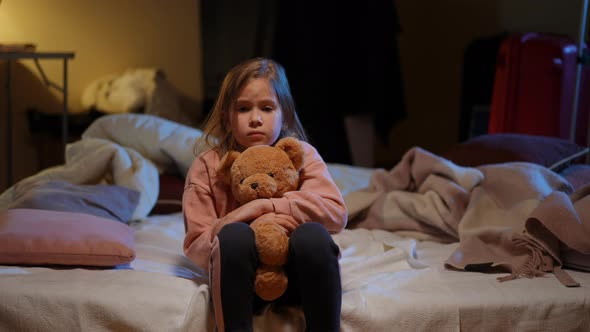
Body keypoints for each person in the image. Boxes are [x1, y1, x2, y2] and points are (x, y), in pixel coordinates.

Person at [182, 57, 347, 332]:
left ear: (285, 117)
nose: (256, 119)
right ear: (226, 116)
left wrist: (261, 208)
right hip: (240, 284)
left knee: (313, 235)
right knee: (233, 237)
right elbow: (197, 247)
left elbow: (335, 212)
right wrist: (243, 224)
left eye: (267, 108)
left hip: (298, 279)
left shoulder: (302, 155)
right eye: (243, 108)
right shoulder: (208, 166)